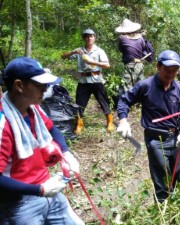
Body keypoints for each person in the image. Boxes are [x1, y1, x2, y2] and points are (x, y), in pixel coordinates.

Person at [0, 57, 83, 224]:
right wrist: (39, 190)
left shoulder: (34, 109)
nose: (45, 90)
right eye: (40, 85)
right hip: (19, 203)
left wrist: (66, 152)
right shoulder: (3, 124)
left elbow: (52, 129)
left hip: (47, 187)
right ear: (19, 86)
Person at [116, 50, 180, 203]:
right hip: (155, 138)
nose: (170, 74)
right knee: (161, 174)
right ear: (158, 66)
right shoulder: (145, 86)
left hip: (175, 137)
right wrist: (123, 120)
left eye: (174, 71)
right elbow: (124, 100)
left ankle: (177, 204)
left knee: (177, 173)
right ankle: (162, 208)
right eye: (167, 70)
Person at [61, 28, 114, 134]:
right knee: (80, 103)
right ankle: (79, 124)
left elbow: (107, 65)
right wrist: (73, 52)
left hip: (97, 80)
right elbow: (63, 57)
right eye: (86, 36)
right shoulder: (79, 50)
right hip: (83, 81)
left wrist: (93, 62)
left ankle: (110, 122)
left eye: (91, 36)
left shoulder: (99, 51)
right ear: (84, 38)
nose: (89, 38)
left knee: (103, 101)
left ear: (94, 38)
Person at [115, 18, 154, 91]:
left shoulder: (122, 38)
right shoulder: (141, 38)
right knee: (140, 85)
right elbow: (142, 48)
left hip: (130, 65)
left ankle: (129, 101)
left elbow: (121, 49)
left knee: (127, 87)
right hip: (140, 64)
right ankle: (140, 101)